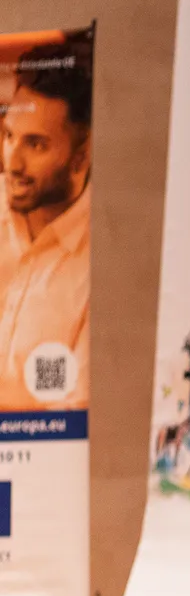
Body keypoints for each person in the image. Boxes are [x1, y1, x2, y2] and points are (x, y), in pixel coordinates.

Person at [0, 40, 93, 410]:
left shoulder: (107, 253)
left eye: (36, 145)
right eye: (9, 136)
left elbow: (76, 407)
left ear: (80, 158)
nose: (12, 162)